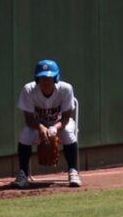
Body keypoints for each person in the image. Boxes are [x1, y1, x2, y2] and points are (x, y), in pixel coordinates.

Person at [15, 58, 81, 188]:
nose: (45, 81)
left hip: (60, 124)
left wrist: (55, 128)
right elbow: (28, 119)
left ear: (56, 78)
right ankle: (23, 174)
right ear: (37, 78)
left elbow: (66, 118)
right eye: (42, 78)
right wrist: (40, 127)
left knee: (68, 132)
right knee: (25, 134)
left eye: (49, 77)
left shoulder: (66, 89)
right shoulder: (29, 89)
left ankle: (73, 171)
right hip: (37, 125)